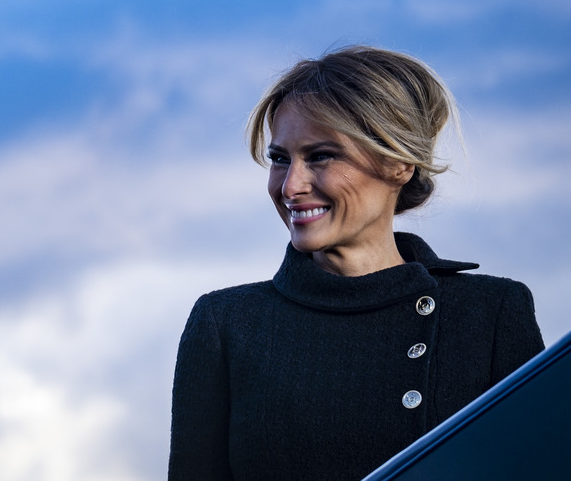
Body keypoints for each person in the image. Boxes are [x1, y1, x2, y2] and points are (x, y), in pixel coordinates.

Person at [168, 46, 544, 480]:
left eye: (321, 155)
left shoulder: (490, 313)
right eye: (279, 159)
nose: (291, 186)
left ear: (399, 162)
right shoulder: (227, 323)